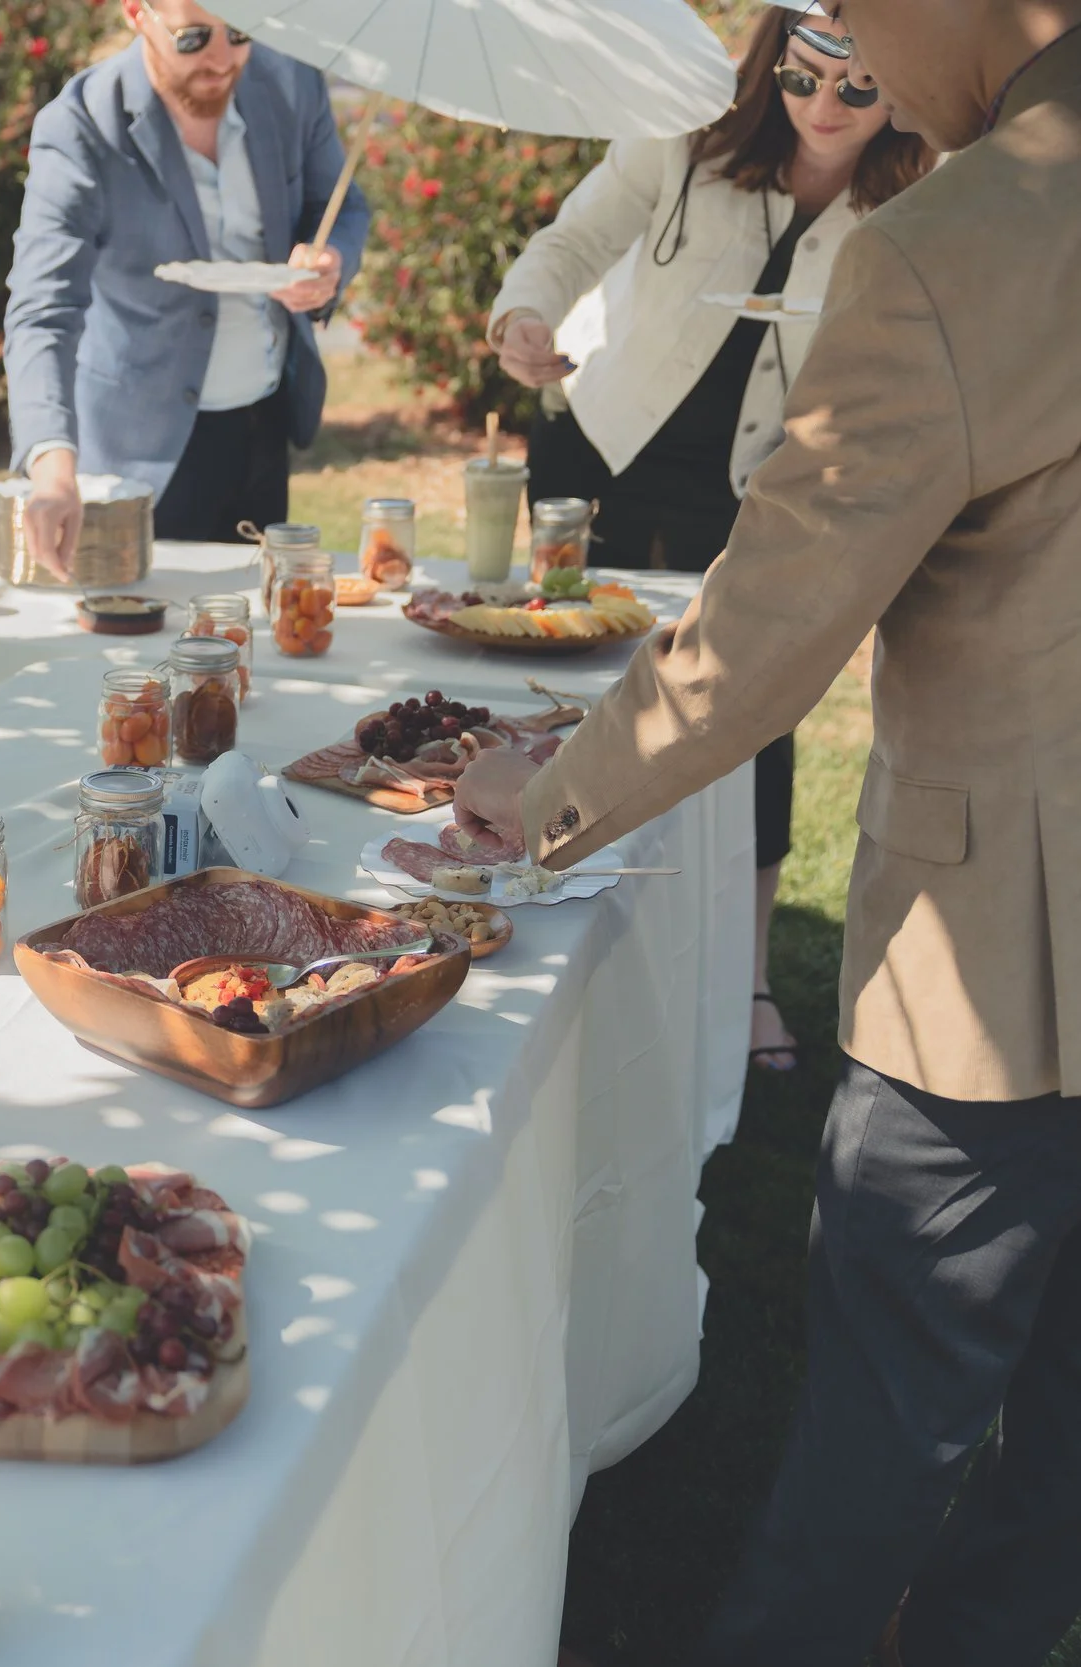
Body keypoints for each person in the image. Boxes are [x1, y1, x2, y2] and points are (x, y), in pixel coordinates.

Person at [454, 1, 1081, 1660]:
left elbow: (766, 632)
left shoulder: (968, 231)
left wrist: (552, 793)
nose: (854, 45)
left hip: (1012, 977)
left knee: (879, 1452)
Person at [487, 8, 934, 1073]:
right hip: (604, 441)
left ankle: (746, 977)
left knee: (749, 712)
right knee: (577, 678)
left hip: (757, 485)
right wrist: (524, 314)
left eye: (859, 91)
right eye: (801, 79)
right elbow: (581, 233)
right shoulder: (684, 131)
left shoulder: (917, 195)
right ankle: (548, 917)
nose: (824, 109)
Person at [3, 0, 368, 574]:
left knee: (259, 640)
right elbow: (43, 311)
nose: (223, 60)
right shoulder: (81, 126)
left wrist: (331, 259)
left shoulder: (292, 83)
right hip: (135, 453)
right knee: (142, 654)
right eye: (194, 39)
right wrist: (50, 469)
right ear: (136, 14)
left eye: (240, 33)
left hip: (264, 421)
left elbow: (338, 205)